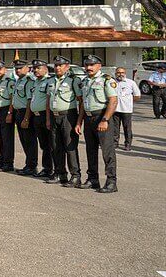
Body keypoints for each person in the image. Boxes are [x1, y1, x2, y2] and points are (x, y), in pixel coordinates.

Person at [80, 54, 119, 193]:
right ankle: (93, 179)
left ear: (99, 66)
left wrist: (105, 120)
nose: (89, 67)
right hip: (88, 119)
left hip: (102, 117)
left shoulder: (106, 80)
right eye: (87, 65)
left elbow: (113, 101)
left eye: (92, 65)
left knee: (107, 152)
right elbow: (82, 104)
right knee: (90, 150)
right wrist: (79, 122)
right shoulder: (85, 81)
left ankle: (111, 182)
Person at [46, 56, 84, 187]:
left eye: (60, 65)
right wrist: (48, 118)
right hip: (53, 115)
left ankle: (75, 176)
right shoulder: (50, 80)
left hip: (69, 116)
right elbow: (48, 100)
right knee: (56, 146)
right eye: (56, 65)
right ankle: (60, 173)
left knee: (70, 147)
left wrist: (79, 121)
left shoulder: (73, 80)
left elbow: (81, 101)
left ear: (67, 67)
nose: (57, 68)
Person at [28, 60, 54, 180]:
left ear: (45, 69)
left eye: (38, 68)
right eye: (34, 68)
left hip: (46, 115)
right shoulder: (35, 82)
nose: (35, 70)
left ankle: (55, 169)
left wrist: (48, 119)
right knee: (44, 145)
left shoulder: (49, 81)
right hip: (37, 116)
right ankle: (46, 168)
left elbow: (49, 101)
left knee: (51, 144)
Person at [11, 60, 38, 176]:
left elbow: (28, 100)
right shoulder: (18, 81)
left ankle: (32, 166)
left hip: (25, 113)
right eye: (16, 68)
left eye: (21, 68)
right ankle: (28, 165)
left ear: (27, 68)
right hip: (18, 112)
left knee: (30, 141)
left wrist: (26, 118)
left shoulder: (29, 81)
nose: (18, 70)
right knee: (24, 140)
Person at [113, 67, 140, 151]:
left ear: (125, 73)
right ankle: (115, 143)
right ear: (115, 73)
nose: (120, 74)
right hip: (115, 109)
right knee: (115, 128)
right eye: (118, 72)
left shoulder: (130, 83)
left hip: (126, 110)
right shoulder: (112, 82)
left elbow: (137, 95)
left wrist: (129, 102)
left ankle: (128, 144)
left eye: (122, 72)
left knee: (127, 128)